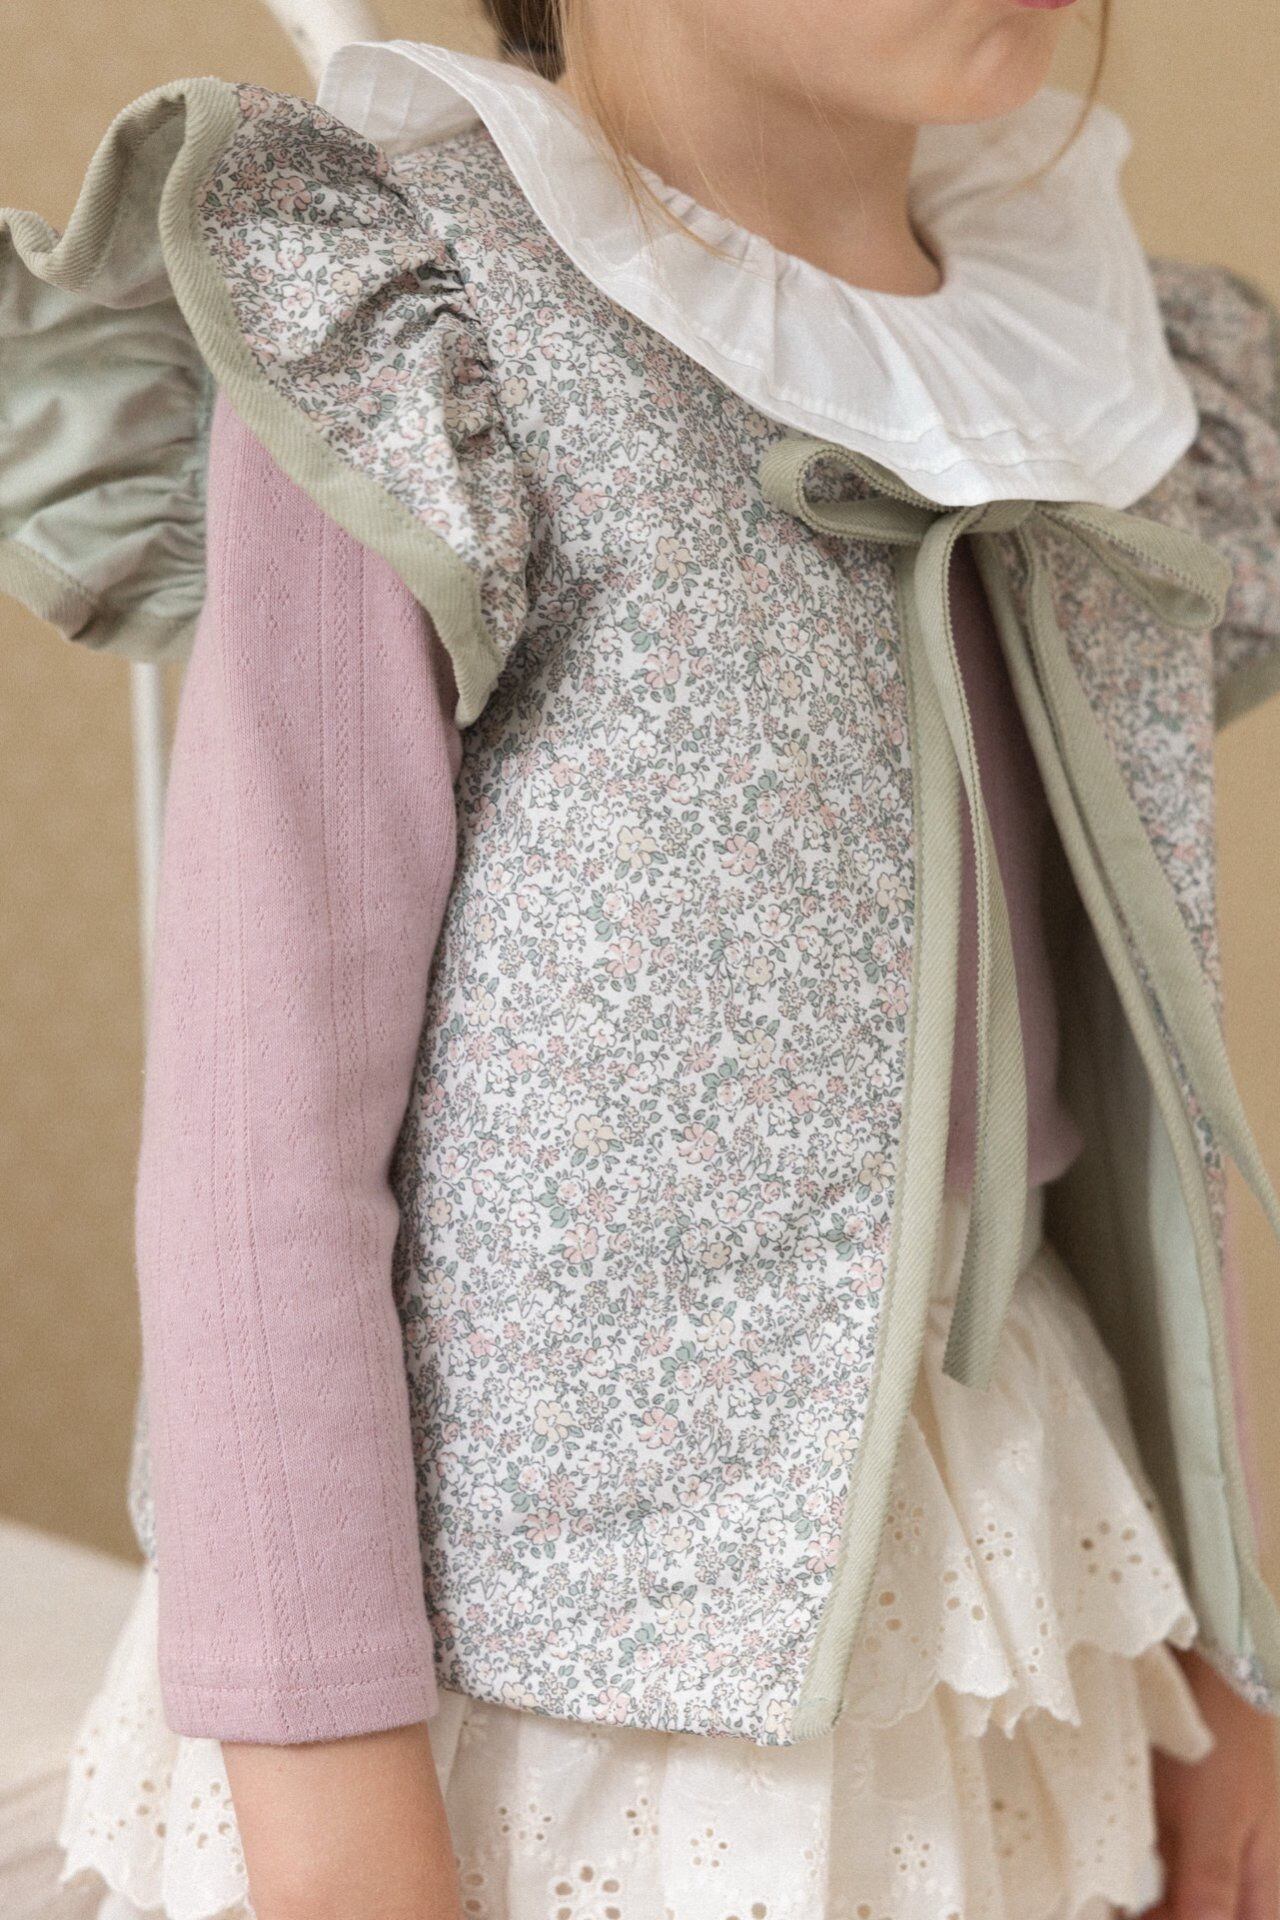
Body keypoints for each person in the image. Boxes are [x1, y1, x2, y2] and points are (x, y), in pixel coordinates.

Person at [3, 1, 1280, 1915]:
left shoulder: (1084, 363)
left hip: (1005, 1585)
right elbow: (256, 1161)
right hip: (547, 1686)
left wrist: (1224, 1650)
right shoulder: (424, 336)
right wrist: (335, 1816)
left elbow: (1138, 1093)